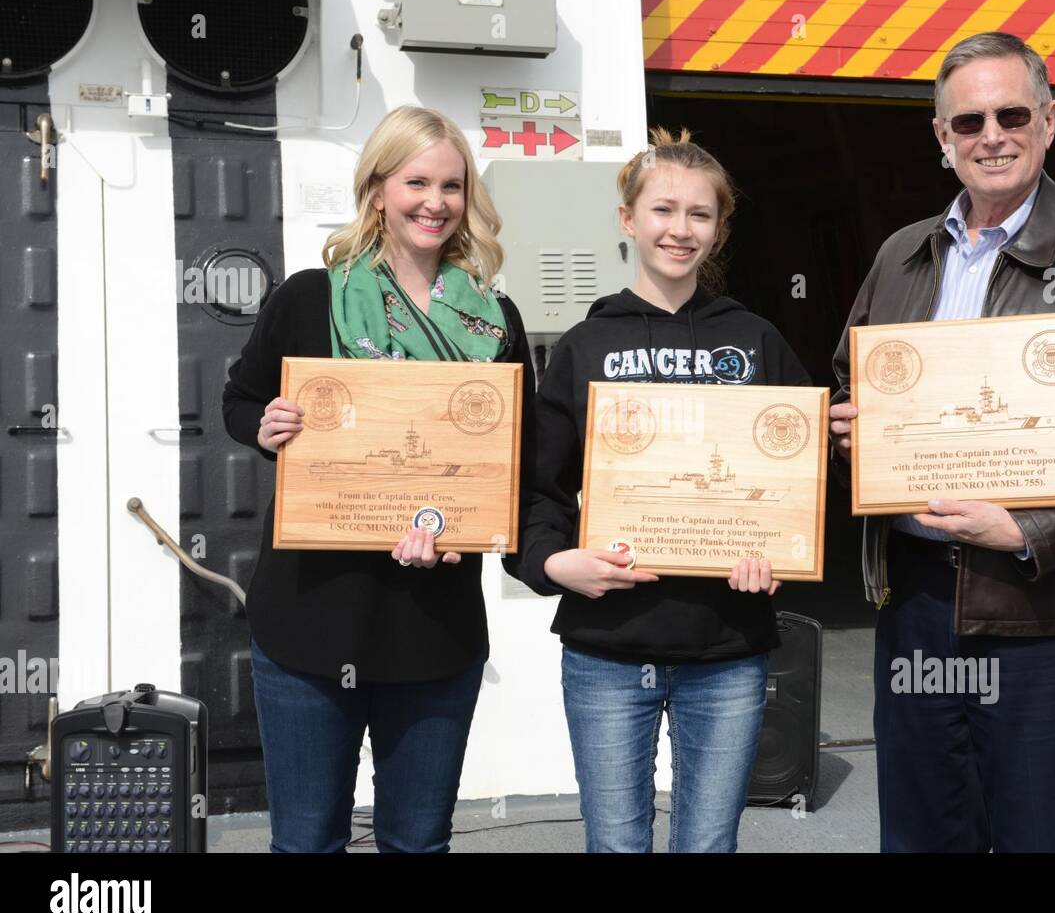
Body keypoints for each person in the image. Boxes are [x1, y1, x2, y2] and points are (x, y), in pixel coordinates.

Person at [828, 33, 1055, 851]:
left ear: (1049, 121)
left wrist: (1031, 529)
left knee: (1033, 835)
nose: (991, 134)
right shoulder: (902, 254)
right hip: (918, 602)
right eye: (968, 121)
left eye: (1011, 113)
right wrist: (854, 432)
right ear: (941, 137)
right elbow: (855, 380)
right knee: (920, 834)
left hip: (1045, 611)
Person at [222, 105, 536, 852]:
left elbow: (510, 460)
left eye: (452, 185)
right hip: (310, 616)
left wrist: (470, 521)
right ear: (377, 191)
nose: (435, 201)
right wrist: (264, 426)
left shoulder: (497, 321)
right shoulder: (309, 297)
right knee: (304, 843)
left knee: (418, 842)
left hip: (433, 622)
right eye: (416, 181)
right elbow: (240, 398)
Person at [505, 128, 811, 853]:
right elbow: (538, 490)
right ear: (628, 219)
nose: (680, 229)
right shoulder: (583, 345)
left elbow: (801, 479)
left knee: (708, 846)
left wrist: (780, 554)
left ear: (719, 227)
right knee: (616, 847)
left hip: (729, 645)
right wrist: (552, 565)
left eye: (700, 214)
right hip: (608, 646)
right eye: (664, 209)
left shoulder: (757, 339)